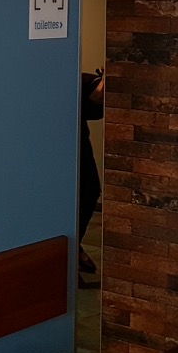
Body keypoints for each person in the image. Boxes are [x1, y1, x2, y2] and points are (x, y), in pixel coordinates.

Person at [78, 68, 104, 286]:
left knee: (89, 190)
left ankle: (72, 246)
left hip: (76, 144)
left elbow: (91, 105)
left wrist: (102, 83)